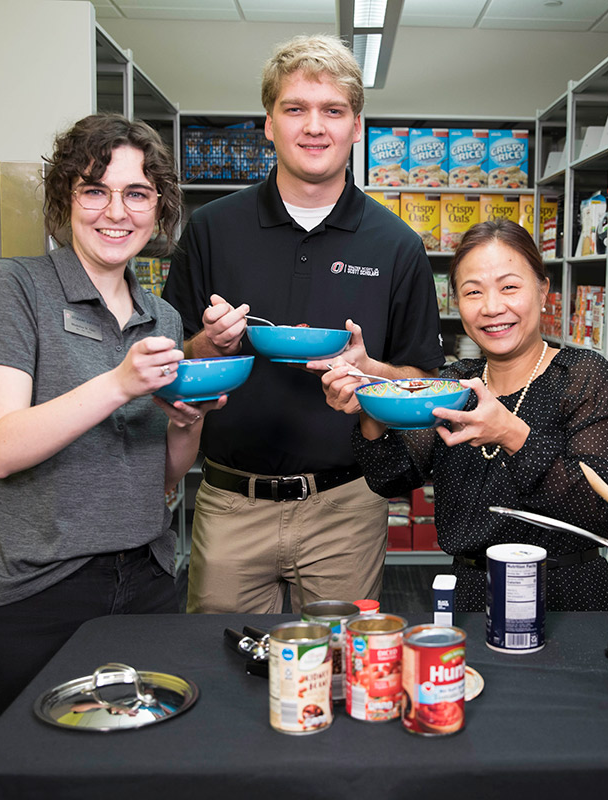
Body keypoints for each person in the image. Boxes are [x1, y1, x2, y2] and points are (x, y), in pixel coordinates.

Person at [0, 113, 223, 744]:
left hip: (147, 583)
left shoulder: (162, 316)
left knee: (139, 774)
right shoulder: (16, 287)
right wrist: (120, 383)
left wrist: (188, 420)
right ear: (65, 200)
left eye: (137, 194)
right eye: (94, 190)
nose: (116, 212)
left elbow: (166, 469)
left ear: (159, 208)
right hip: (34, 593)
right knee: (26, 773)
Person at [162, 34, 444, 614]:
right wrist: (207, 344)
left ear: (356, 125)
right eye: (296, 109)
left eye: (332, 111)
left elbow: (423, 377)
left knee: (344, 677)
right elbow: (169, 362)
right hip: (228, 501)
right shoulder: (212, 230)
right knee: (219, 673)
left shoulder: (397, 245)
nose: (314, 127)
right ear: (269, 124)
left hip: (347, 507)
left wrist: (373, 375)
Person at [326, 220, 608, 611]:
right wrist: (368, 405)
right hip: (471, 594)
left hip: (567, 596)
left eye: (509, 287)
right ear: (458, 303)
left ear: (542, 291)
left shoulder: (582, 376)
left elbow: (595, 507)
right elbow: (390, 477)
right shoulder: (457, 384)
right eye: (473, 292)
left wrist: (511, 434)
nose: (492, 308)